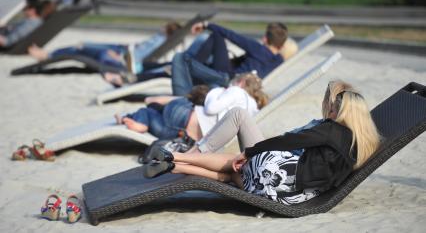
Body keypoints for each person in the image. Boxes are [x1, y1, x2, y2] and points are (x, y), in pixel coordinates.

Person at [142, 80, 381, 205]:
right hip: (290, 192)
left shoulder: (332, 131)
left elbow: (292, 140)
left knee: (234, 159)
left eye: (332, 106)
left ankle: (177, 156)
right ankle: (174, 165)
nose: (329, 109)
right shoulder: (359, 145)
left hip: (279, 175)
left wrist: (251, 150)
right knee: (231, 175)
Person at [116, 73, 268, 142]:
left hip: (184, 114)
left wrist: (217, 91)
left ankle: (133, 115)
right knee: (155, 114)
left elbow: (211, 108)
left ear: (241, 83)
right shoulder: (255, 111)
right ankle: (141, 118)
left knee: (151, 109)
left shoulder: (237, 91)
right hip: (182, 135)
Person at [171, 22, 287, 96]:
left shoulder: (259, 49)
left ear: (265, 39)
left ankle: (192, 69)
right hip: (245, 85)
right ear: (281, 45)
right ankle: (195, 67)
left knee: (217, 35)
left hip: (228, 78)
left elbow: (232, 35)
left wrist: (206, 25)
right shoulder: (279, 61)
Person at [28, 21, 182, 72]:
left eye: (164, 27)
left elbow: (138, 58)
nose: (161, 27)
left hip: (122, 54)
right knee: (80, 47)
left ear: (168, 31)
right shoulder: (162, 39)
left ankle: (47, 55)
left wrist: (120, 57)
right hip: (122, 48)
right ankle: (48, 54)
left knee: (81, 47)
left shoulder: (160, 40)